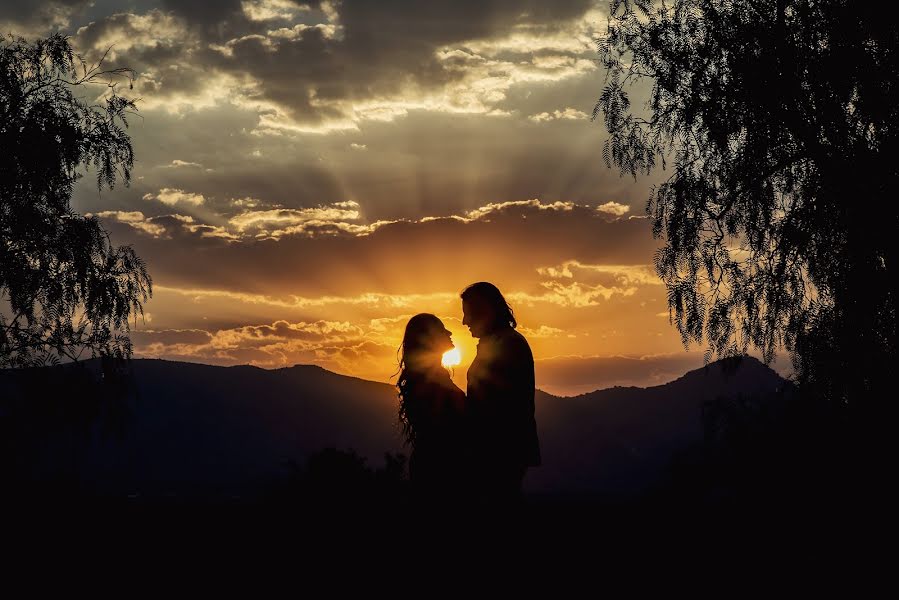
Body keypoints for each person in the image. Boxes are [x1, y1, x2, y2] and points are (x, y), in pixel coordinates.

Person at [461, 282, 541, 504]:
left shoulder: (507, 345)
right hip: (498, 450)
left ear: (483, 311)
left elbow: (498, 406)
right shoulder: (501, 342)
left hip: (499, 452)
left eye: (467, 313)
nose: (464, 321)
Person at [395, 313, 467, 502]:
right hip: (440, 470)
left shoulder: (431, 377)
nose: (450, 332)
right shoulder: (429, 382)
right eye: (443, 330)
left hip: (434, 465)